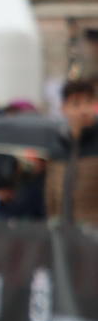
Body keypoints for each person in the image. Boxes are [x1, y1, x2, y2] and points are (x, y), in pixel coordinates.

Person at [46, 79, 98, 223]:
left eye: (88, 102)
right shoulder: (57, 148)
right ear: (63, 108)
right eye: (76, 104)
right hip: (64, 234)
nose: (83, 110)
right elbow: (51, 197)